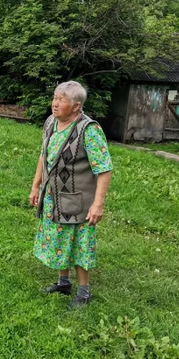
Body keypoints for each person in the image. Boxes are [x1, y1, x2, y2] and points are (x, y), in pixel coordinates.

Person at [29, 81, 113, 309]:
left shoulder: (89, 130)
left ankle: (84, 293)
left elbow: (104, 168)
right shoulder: (51, 123)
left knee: (78, 245)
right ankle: (63, 283)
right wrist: (36, 186)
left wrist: (98, 204)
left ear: (76, 107)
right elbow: (43, 155)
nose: (55, 104)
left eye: (61, 100)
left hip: (78, 201)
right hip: (53, 196)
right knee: (59, 239)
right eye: (55, 98)